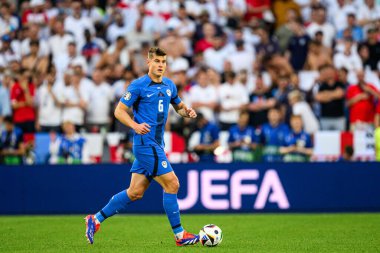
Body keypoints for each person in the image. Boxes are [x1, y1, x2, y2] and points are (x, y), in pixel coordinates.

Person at [84, 47, 199, 246]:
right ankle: (180, 235)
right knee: (172, 184)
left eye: (163, 62)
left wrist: (187, 112)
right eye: (157, 62)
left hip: (156, 145)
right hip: (146, 144)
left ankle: (95, 220)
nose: (161, 66)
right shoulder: (138, 85)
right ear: (149, 63)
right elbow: (119, 111)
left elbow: (178, 107)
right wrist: (135, 126)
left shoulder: (169, 85)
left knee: (135, 192)